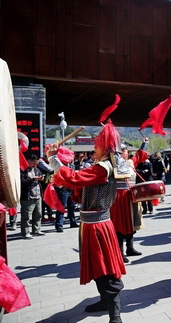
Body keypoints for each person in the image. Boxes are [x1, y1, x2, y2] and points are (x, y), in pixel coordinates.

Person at [46, 121, 126, 323]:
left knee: (106, 269)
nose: (94, 149)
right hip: (92, 225)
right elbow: (79, 186)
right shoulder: (103, 165)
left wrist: (54, 160)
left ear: (105, 147)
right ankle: (104, 301)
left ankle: (115, 316)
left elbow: (73, 177)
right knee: (99, 266)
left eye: (97, 145)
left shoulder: (103, 168)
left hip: (98, 226)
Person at [111, 139, 148, 263]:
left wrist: (144, 143)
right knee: (120, 225)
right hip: (119, 199)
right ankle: (119, 252)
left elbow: (139, 155)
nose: (125, 153)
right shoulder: (112, 166)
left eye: (126, 151)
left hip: (132, 197)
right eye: (122, 152)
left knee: (132, 224)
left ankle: (130, 248)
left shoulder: (130, 163)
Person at [20, 154, 45, 239]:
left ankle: (36, 230)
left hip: (37, 195)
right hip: (28, 197)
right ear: (29, 161)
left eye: (36, 163)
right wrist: (34, 179)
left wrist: (41, 179)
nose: (35, 165)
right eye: (34, 163)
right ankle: (25, 232)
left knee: (38, 214)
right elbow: (22, 182)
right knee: (26, 216)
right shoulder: (23, 170)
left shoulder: (37, 169)